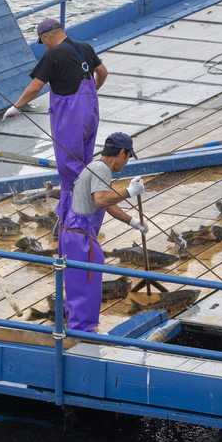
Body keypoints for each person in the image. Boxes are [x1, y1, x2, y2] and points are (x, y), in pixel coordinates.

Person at [4, 18, 109, 225]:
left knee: (69, 167)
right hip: (91, 112)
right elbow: (103, 72)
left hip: (70, 117)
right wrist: (94, 89)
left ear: (46, 37)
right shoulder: (85, 47)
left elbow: (35, 87)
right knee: (85, 163)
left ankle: (74, 217)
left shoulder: (53, 54)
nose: (44, 46)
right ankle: (76, 209)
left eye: (43, 42)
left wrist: (16, 107)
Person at [59, 132, 147, 332]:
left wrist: (131, 221)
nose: (126, 162)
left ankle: (74, 324)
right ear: (122, 153)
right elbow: (101, 200)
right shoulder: (102, 170)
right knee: (87, 285)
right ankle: (83, 332)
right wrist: (129, 192)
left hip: (70, 233)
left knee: (75, 284)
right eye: (128, 157)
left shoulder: (93, 166)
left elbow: (105, 202)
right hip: (81, 237)